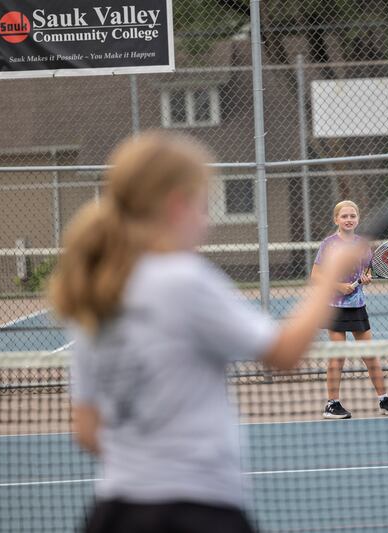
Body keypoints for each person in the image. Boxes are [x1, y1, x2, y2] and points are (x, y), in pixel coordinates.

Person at [49, 131, 365, 533]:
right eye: (203, 205)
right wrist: (332, 276)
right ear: (177, 204)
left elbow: (87, 430)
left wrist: (146, 461)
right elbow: (285, 354)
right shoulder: (184, 281)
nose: (208, 219)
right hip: (197, 512)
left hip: (114, 513)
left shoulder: (93, 289)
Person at [311, 200, 388, 419]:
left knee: (369, 356)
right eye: (344, 216)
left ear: (358, 219)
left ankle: (384, 399)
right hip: (334, 307)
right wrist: (338, 286)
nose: (349, 219)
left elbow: (366, 270)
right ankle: (332, 404)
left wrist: (366, 278)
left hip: (357, 306)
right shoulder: (328, 244)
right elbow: (316, 275)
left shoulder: (363, 244)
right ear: (336, 220)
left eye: (352, 216)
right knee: (338, 356)